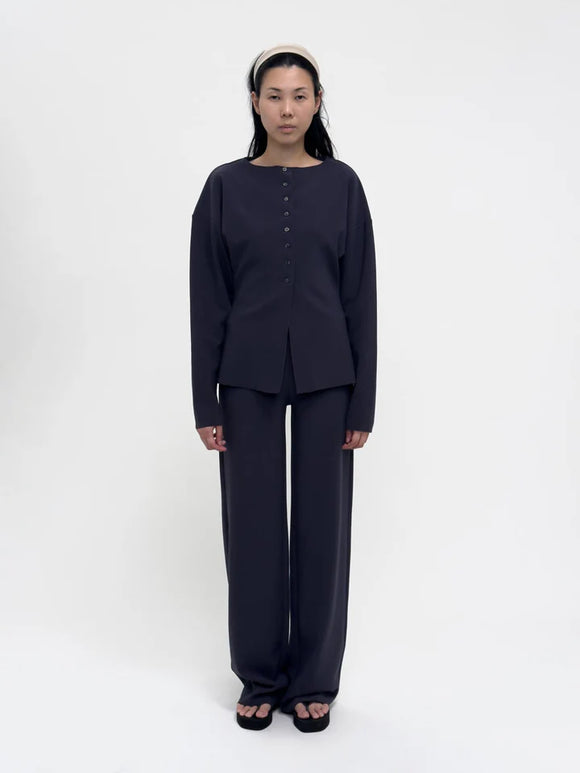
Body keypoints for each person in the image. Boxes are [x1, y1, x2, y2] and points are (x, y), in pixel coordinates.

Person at [189, 43, 377, 733]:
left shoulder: (344, 186)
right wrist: (205, 399)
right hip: (246, 377)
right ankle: (261, 676)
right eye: (274, 95)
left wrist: (363, 400)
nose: (287, 108)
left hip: (331, 377)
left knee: (325, 528)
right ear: (255, 102)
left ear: (317, 102)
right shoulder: (223, 186)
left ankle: (314, 679)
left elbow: (361, 298)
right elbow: (207, 299)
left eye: (300, 96)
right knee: (252, 527)